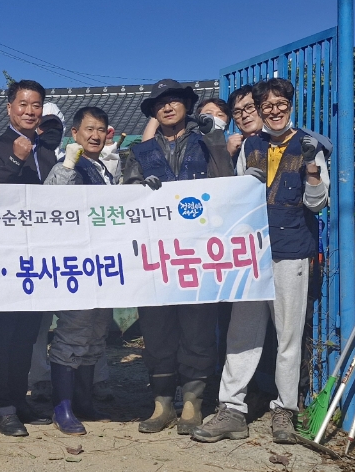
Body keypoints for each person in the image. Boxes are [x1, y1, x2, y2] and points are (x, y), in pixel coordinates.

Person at [191, 78, 330, 444]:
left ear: (290, 105)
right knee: (242, 332)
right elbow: (239, 201)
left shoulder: (309, 145)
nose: (274, 110)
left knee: (288, 335)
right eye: (267, 105)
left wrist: (312, 169)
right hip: (252, 254)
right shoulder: (251, 146)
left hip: (291, 251)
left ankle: (285, 410)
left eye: (280, 103)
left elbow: (317, 203)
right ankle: (232, 409)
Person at [121, 79, 234, 435]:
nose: (167, 107)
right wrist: (138, 189)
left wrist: (216, 141)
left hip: (198, 255)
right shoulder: (139, 152)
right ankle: (162, 403)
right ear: (154, 113)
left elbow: (226, 183)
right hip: (155, 256)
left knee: (198, 329)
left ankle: (192, 402)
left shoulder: (206, 143)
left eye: (174, 101)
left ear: (187, 106)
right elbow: (127, 199)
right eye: (160, 104)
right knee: (157, 331)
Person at [0, 79, 58, 437]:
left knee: (27, 333)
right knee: (1, 334)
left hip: (36, 256)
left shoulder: (48, 152)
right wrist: (15, 159)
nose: (29, 111)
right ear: (9, 108)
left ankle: (18, 398)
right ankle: (1, 407)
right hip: (4, 256)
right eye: (23, 104)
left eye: (36, 105)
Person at [42, 106, 116, 435]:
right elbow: (52, 200)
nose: (95, 135)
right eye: (89, 129)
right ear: (75, 133)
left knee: (96, 333)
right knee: (73, 332)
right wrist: (69, 164)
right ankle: (62, 407)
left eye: (100, 129)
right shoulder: (68, 165)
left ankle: (84, 401)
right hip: (76, 264)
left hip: (102, 264)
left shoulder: (103, 169)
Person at [226, 85, 263, 158]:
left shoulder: (279, 140)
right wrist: (227, 156)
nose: (244, 115)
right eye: (237, 112)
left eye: (249, 107)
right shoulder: (232, 150)